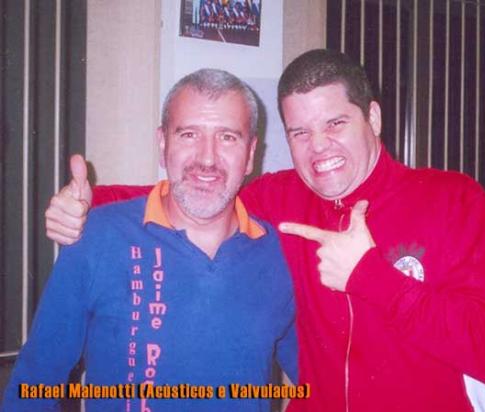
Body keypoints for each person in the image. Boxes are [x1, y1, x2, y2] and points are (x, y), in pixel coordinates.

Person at [43, 49, 485, 412]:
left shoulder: (453, 201)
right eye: (300, 132)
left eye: (336, 123)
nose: (319, 147)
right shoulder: (282, 198)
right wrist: (88, 203)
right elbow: (196, 190)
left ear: (372, 118)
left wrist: (372, 278)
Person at [2, 69, 297, 412]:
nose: (207, 158)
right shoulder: (98, 239)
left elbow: (320, 378)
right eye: (189, 134)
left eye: (227, 137)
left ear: (250, 154)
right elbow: (35, 381)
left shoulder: (278, 254)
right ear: (162, 144)